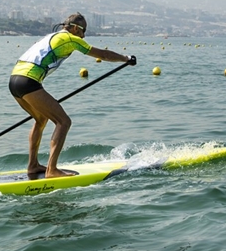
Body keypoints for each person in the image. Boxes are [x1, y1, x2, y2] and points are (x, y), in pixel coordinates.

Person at [8, 12, 137, 178]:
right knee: (63, 122)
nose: (84, 36)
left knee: (41, 120)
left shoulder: (52, 36)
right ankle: (52, 170)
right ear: (76, 28)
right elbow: (102, 55)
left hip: (14, 81)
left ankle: (33, 166)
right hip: (28, 81)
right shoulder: (70, 38)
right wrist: (125, 58)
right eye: (83, 31)